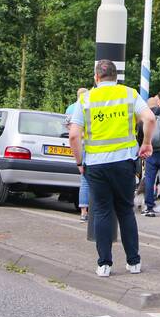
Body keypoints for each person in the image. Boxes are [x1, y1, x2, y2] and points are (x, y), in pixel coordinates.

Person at [67, 60, 155, 277]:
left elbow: (74, 135)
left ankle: (104, 264)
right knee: (125, 210)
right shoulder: (129, 94)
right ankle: (133, 262)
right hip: (124, 162)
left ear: (96, 78)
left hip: (96, 165)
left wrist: (80, 162)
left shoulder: (85, 99)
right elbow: (150, 118)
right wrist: (146, 143)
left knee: (103, 211)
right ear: (117, 77)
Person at [65, 88, 90, 222]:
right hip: (88, 143)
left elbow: (68, 127)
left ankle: (83, 212)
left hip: (75, 144)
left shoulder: (70, 108)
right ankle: (93, 210)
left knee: (84, 180)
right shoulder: (87, 105)